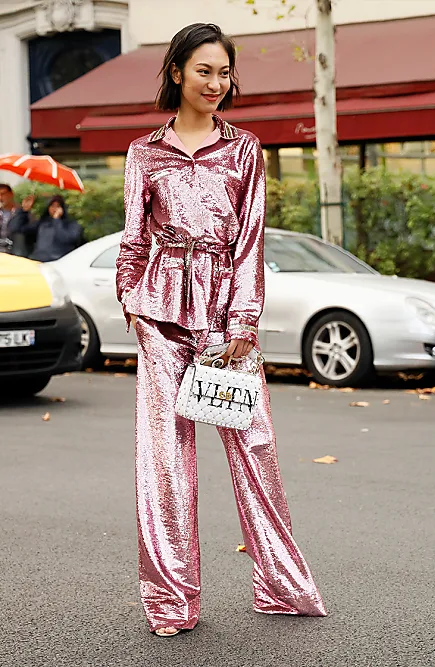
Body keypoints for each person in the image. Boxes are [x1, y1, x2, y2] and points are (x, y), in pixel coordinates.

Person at [115, 23, 326, 637]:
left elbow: (250, 242)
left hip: (226, 319)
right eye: (203, 70)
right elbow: (134, 238)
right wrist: (132, 302)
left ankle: (283, 587)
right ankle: (172, 602)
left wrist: (243, 319)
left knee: (254, 449)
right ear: (177, 72)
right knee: (165, 460)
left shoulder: (244, 151)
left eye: (224, 72)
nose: (216, 82)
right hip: (161, 314)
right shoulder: (143, 154)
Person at [23, 194, 83, 262]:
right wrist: (24, 211)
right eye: (52, 206)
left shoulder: (71, 225)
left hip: (58, 262)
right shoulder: (43, 222)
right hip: (38, 260)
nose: (54, 209)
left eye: (58, 206)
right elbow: (20, 229)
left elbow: (65, 238)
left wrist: (57, 220)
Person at [0, 184, 35, 256]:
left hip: (16, 253)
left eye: (3, 194)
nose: (0, 197)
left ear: (11, 194)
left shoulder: (22, 213)